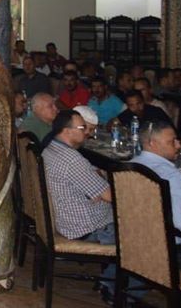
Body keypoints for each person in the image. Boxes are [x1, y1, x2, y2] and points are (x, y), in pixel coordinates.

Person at [41, 110, 118, 299]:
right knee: (140, 230)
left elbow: (92, 178)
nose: (87, 132)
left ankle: (110, 278)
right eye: (82, 128)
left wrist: (95, 184)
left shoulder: (50, 148)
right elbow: (110, 196)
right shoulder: (73, 160)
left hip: (65, 219)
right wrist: (101, 187)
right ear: (67, 131)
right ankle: (111, 285)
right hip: (84, 227)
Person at [132, 120, 181, 274]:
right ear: (152, 144)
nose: (178, 145)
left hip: (144, 242)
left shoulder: (131, 165)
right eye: (172, 141)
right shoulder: (170, 175)